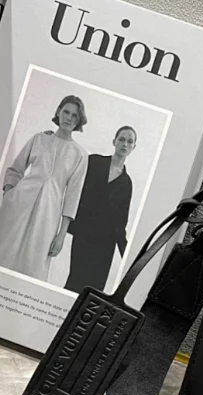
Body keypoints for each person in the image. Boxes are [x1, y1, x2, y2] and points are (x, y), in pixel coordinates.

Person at [0, 95, 88, 281]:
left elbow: (73, 196)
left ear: (79, 120)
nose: (69, 118)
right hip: (17, 206)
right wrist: (8, 195)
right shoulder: (39, 139)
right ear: (58, 112)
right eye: (66, 112)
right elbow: (15, 170)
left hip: (48, 216)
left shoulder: (79, 154)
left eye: (74, 115)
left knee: (34, 268)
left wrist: (61, 235)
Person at [64, 126, 136, 292]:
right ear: (114, 141)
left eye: (129, 141)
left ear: (133, 147)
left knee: (93, 291)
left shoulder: (127, 183)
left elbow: (121, 222)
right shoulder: (94, 162)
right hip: (84, 235)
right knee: (75, 281)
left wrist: (126, 254)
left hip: (106, 244)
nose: (125, 144)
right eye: (121, 139)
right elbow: (71, 178)